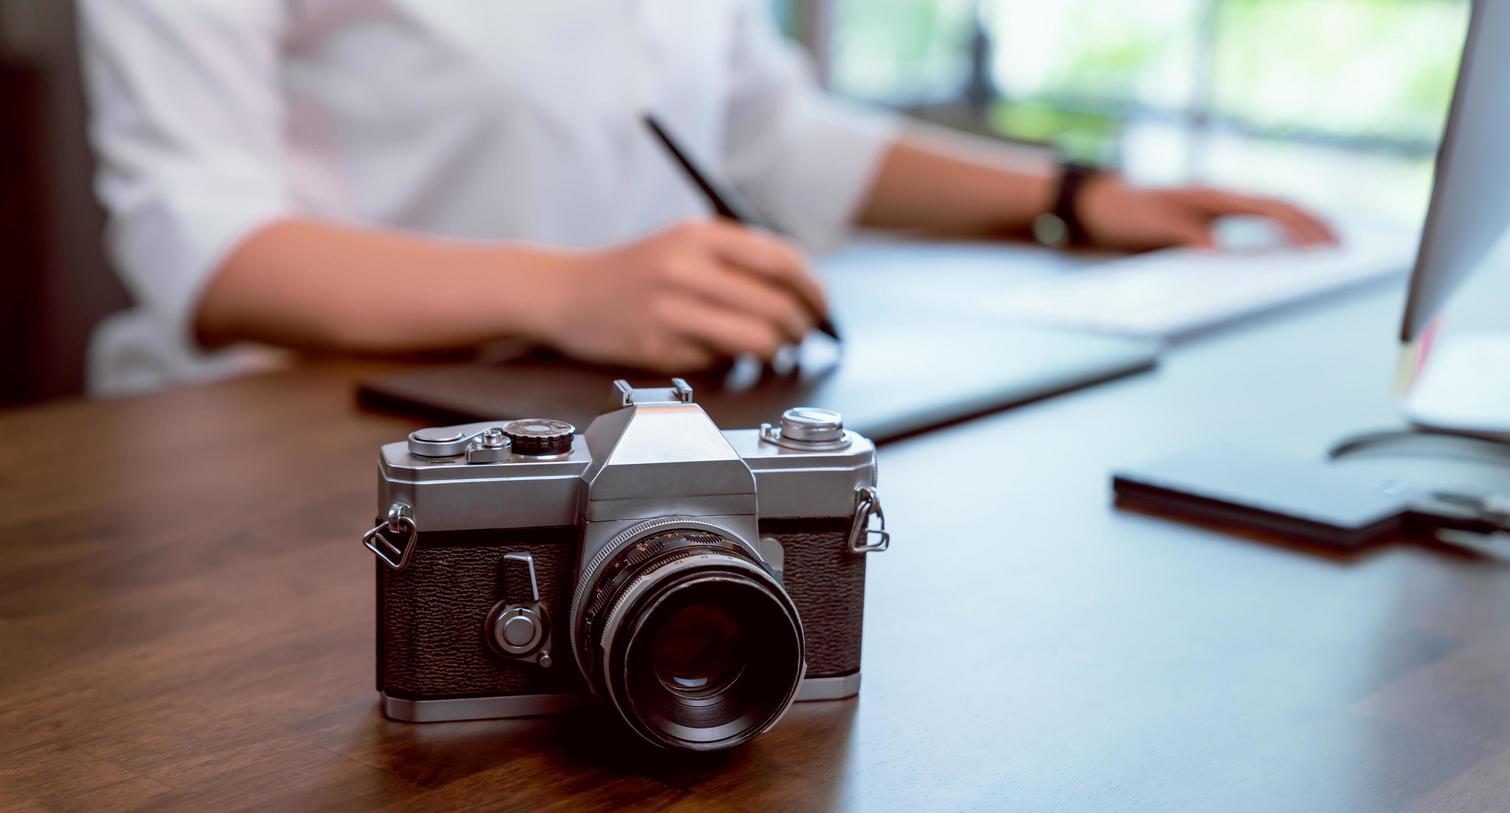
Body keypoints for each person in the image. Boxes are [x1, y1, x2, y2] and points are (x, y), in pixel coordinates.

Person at [79, 1, 1334, 396]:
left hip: (609, 417)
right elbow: (202, 240)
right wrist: (571, 291)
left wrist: (1067, 192)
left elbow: (765, 125)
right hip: (291, 450)